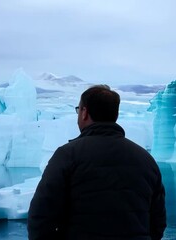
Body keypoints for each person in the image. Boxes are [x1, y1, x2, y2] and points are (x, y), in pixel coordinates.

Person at [28, 85, 166, 240]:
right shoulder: (146, 159)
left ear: (84, 113)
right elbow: (158, 221)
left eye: (78, 110)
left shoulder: (68, 155)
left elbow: (41, 216)